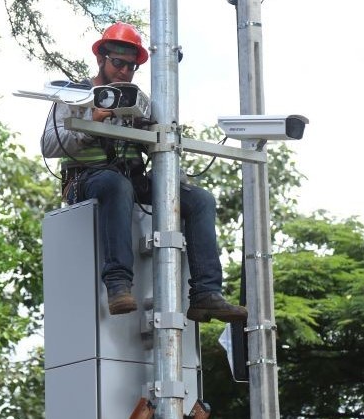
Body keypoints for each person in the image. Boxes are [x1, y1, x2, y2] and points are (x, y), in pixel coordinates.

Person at [40, 22, 247, 323]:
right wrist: (91, 122)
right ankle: (118, 284)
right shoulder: (74, 95)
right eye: (118, 63)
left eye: (131, 67)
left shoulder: (140, 102)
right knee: (115, 184)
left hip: (130, 180)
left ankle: (205, 293)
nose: (124, 71)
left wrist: (158, 135)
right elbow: (49, 143)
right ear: (101, 59)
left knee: (199, 200)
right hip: (86, 179)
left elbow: (160, 149)